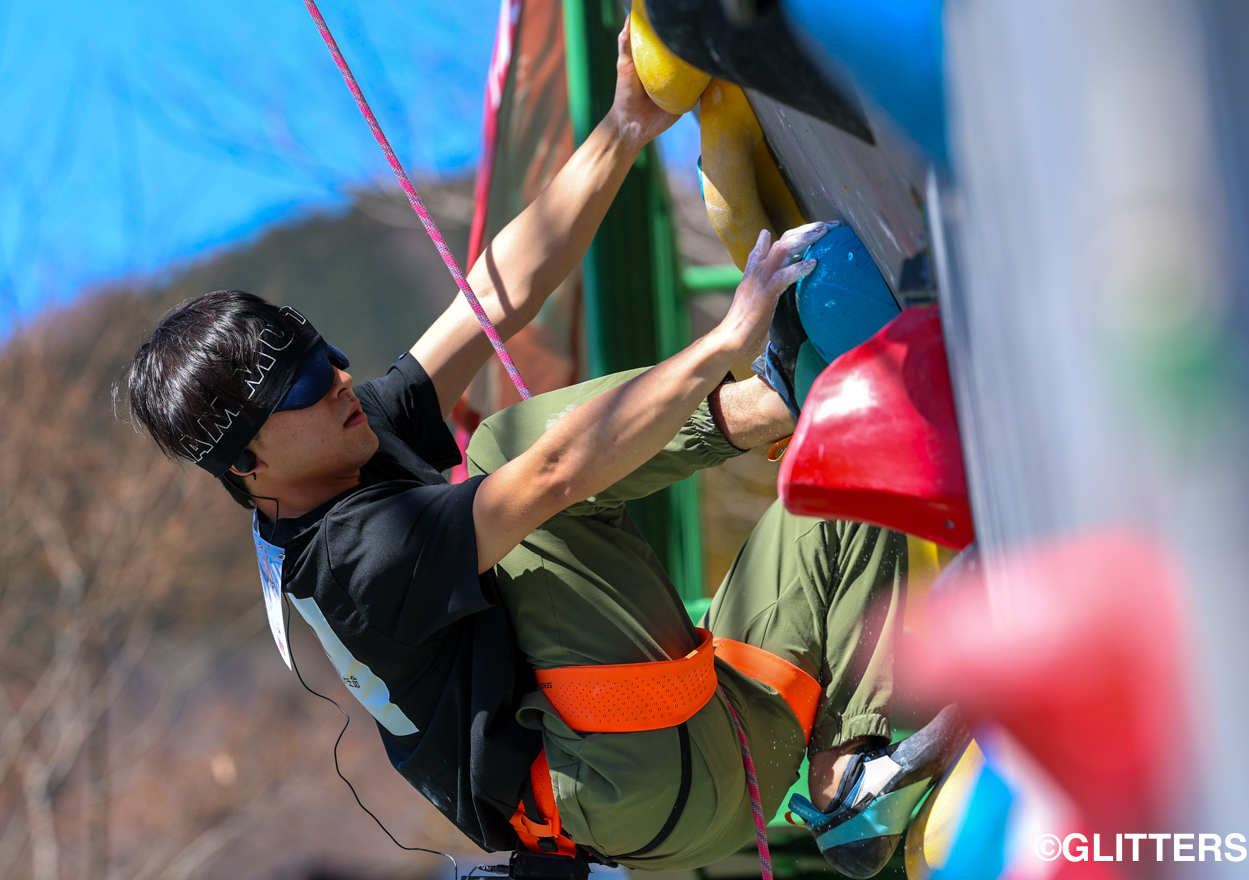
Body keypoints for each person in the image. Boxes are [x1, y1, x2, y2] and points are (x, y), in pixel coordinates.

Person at [121, 21, 964, 879]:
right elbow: (554, 473)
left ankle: (847, 783)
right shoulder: (353, 559)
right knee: (507, 446)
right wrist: (722, 347)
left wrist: (625, 126)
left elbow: (496, 294)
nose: (338, 376)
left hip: (716, 738)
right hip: (635, 783)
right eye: (303, 384)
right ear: (249, 466)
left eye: (322, 352)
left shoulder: (346, 442)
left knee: (835, 469)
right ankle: (772, 395)